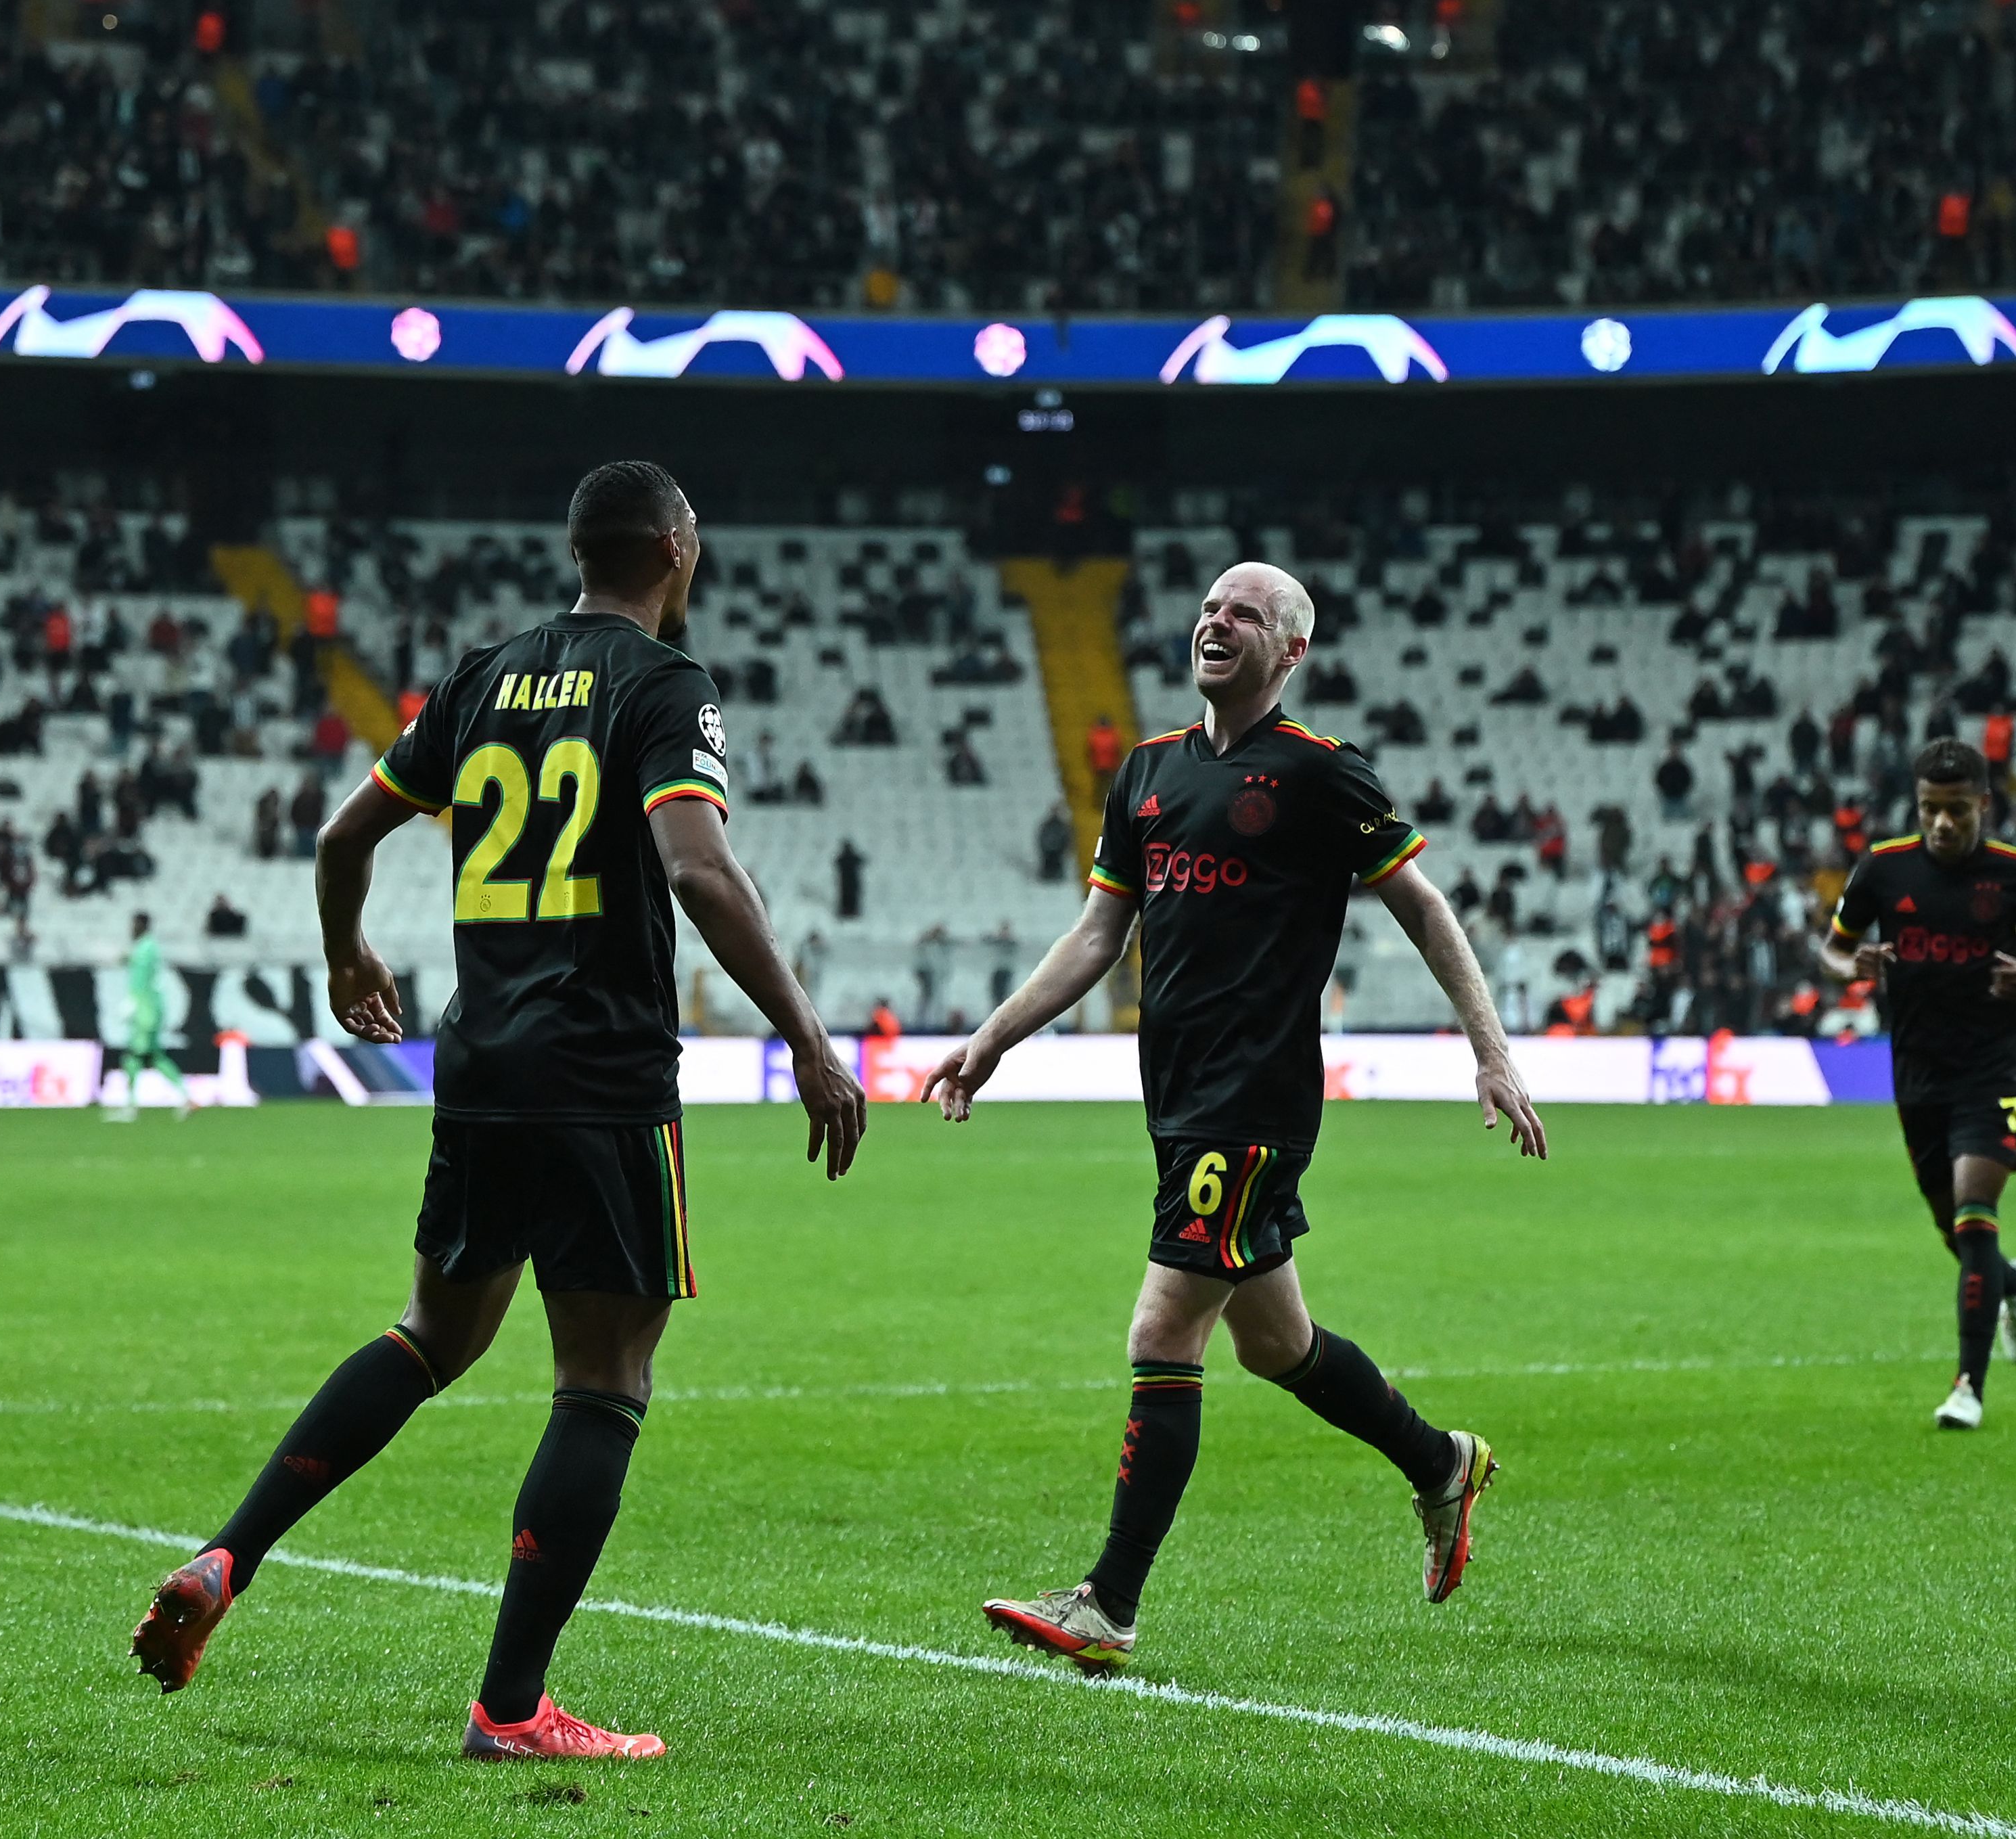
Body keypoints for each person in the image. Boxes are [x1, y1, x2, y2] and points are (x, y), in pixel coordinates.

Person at [127, 459, 865, 1761]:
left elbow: (339, 838)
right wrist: (808, 1034)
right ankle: (511, 1708)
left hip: (479, 1067)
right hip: (601, 1073)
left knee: (431, 1334)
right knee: (605, 1376)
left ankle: (226, 1555)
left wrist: (347, 952)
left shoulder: (483, 671)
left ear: (578, 549)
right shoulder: (663, 686)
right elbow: (695, 863)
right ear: (678, 547)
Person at [927, 562, 1547, 1676]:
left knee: (1163, 1329)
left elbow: (1422, 902)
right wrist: (992, 1036)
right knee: (1277, 1343)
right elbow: (1094, 937)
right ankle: (1443, 1460)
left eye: (1246, 613)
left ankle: (1107, 1602)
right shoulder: (1149, 771)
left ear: (1291, 651)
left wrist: (1492, 1052)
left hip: (1253, 1097)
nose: (1218, 621)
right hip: (1174, 1094)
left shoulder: (1320, 774)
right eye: (1211, 606)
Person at [1818, 737, 2016, 1432]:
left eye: (1956, 810)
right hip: (1917, 1074)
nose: (1942, 824)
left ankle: (1969, 1386)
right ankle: (2010, 1282)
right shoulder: (1884, 869)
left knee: (1972, 1211)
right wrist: (1851, 965)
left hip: (1990, 1069)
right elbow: (1833, 947)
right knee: (1954, 1231)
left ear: (1982, 805)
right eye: (1930, 809)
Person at [108, 911, 194, 1121]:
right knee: (156, 1057)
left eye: (133, 925)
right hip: (151, 1010)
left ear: (140, 925)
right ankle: (186, 1098)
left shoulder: (145, 948)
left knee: (132, 1056)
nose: (131, 929)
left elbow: (140, 977)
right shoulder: (148, 947)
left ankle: (131, 1106)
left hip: (145, 1011)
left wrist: (132, 1003)